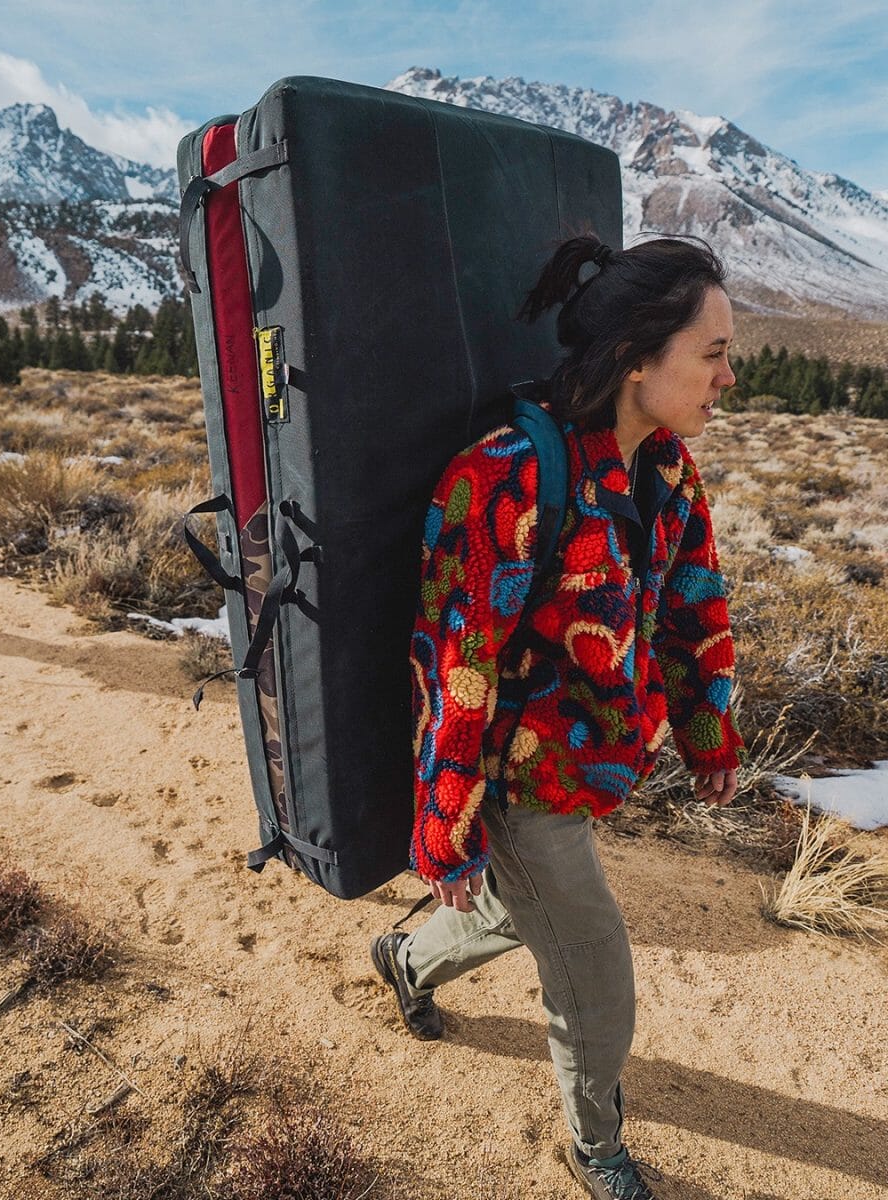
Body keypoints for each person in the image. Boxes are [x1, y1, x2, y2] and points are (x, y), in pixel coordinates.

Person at [371, 233, 746, 1200]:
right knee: (594, 964)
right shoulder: (504, 479)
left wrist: (707, 729)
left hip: (594, 763)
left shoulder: (665, 471)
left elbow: (696, 604)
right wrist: (445, 821)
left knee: (512, 907)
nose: (728, 376)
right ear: (635, 356)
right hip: (518, 778)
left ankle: (404, 958)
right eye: (711, 354)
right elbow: (456, 663)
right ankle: (596, 1145)